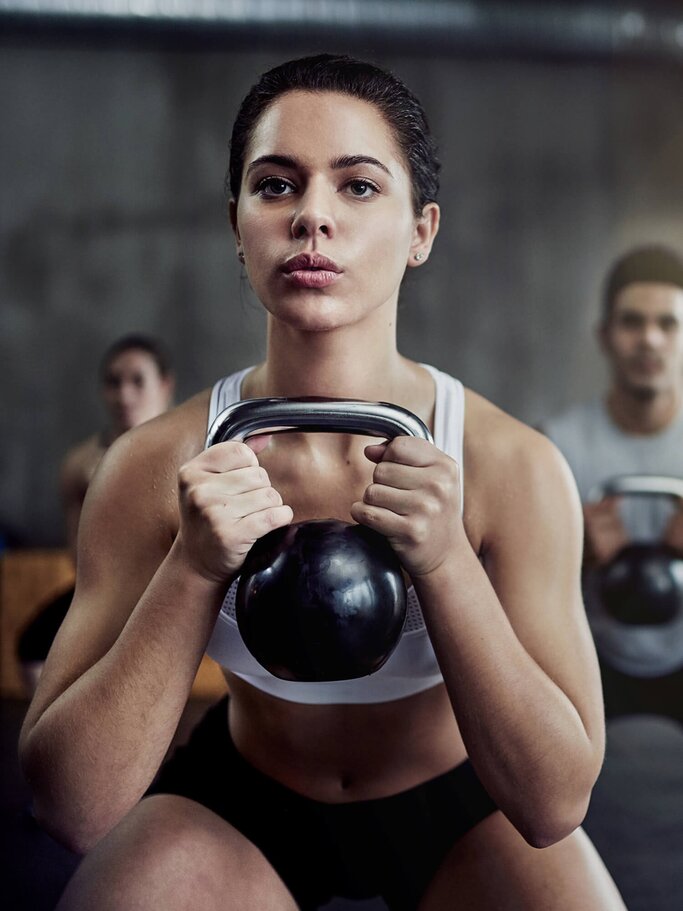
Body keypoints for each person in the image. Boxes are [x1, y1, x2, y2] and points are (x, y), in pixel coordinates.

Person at [19, 55, 625, 910]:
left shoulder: (511, 467)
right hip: (245, 801)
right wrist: (192, 567)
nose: (311, 216)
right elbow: (69, 804)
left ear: (421, 231)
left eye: (358, 187)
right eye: (275, 185)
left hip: (460, 805)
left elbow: (555, 801)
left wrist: (446, 562)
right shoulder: (155, 465)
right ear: (236, 223)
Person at [542, 245, 683, 721]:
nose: (650, 340)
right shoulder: (552, 445)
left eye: (668, 324)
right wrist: (575, 553)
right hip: (590, 661)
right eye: (632, 323)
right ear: (605, 335)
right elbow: (516, 588)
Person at [16, 333, 175, 693]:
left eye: (137, 381)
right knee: (33, 648)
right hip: (102, 589)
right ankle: (57, 737)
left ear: (164, 386)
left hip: (171, 589)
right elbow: (76, 546)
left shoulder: (186, 449)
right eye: (114, 382)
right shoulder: (80, 462)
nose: (125, 395)